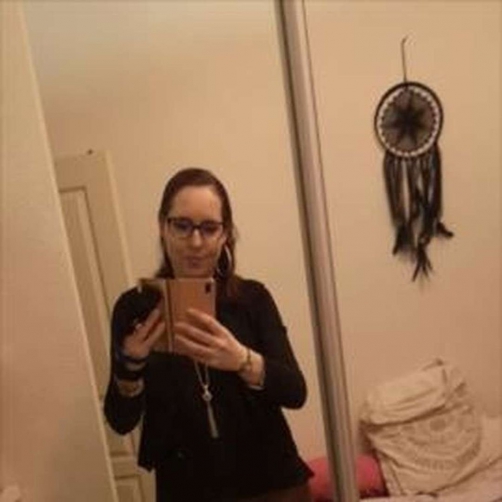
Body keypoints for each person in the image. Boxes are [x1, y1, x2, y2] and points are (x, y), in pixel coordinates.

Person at [104, 167, 313, 502]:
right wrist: (130, 368)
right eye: (182, 226)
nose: (196, 242)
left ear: (224, 233)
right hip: (185, 489)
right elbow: (120, 421)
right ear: (162, 226)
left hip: (271, 483)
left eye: (209, 228)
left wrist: (242, 359)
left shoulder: (251, 299)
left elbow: (295, 392)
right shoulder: (135, 309)